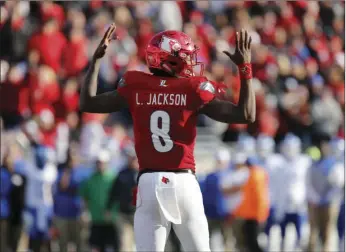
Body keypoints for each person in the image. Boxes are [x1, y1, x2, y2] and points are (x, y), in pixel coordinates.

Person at [80, 23, 256, 251]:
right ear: (170, 59)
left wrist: (94, 62)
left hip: (148, 182)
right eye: (185, 56)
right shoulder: (192, 88)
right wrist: (245, 68)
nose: (190, 61)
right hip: (183, 182)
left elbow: (88, 103)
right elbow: (246, 114)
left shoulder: (136, 85)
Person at [221, 152, 269, 252]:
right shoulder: (257, 173)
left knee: (251, 243)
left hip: (252, 216)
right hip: (250, 215)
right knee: (248, 243)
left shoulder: (254, 175)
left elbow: (257, 197)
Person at [306, 139, 344, 252]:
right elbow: (309, 182)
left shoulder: (335, 165)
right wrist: (316, 198)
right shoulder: (314, 163)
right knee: (313, 232)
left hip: (330, 203)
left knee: (327, 232)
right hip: (314, 202)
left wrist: (327, 197)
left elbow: (338, 185)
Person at [276, 133, 311, 251]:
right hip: (283, 205)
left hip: (299, 205)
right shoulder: (278, 163)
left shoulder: (305, 162)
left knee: (301, 237)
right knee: (281, 237)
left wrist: (306, 199)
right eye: (287, 147)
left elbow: (308, 183)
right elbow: (276, 186)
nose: (290, 150)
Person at [79, 150, 119, 252]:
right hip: (95, 219)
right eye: (98, 162)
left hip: (111, 220)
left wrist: (112, 211)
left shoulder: (113, 178)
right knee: (96, 247)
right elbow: (84, 197)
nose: (100, 165)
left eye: (102, 163)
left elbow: (117, 197)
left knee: (111, 247)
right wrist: (85, 212)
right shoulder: (90, 179)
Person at [105, 145, 139, 251]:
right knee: (124, 243)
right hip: (123, 213)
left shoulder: (143, 173)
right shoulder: (122, 173)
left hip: (140, 213)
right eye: (130, 157)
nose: (132, 159)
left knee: (141, 242)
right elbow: (114, 192)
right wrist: (108, 208)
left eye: (134, 157)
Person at [256, 134, 285, 250]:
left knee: (272, 233)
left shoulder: (277, 162)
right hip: (258, 204)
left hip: (272, 202)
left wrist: (280, 204)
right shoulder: (254, 161)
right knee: (258, 234)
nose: (263, 151)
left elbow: (281, 186)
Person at [201, 148, 233, 251]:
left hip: (225, 215)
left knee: (227, 241)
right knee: (208, 240)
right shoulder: (210, 176)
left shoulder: (230, 176)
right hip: (211, 214)